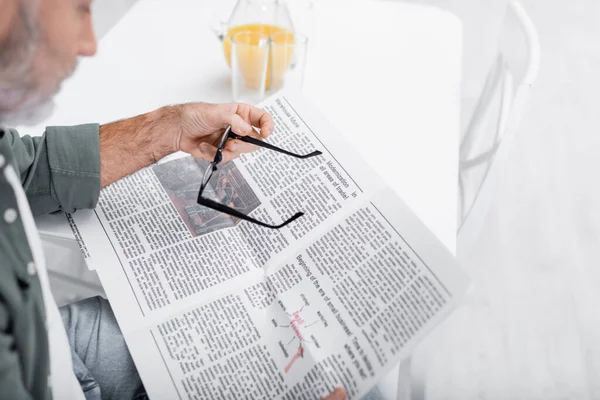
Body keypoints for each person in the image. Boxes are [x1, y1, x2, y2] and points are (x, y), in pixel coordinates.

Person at [0, 0, 347, 399]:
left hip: (51, 343)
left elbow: (25, 167)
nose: (90, 43)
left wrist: (170, 128)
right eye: (78, 10)